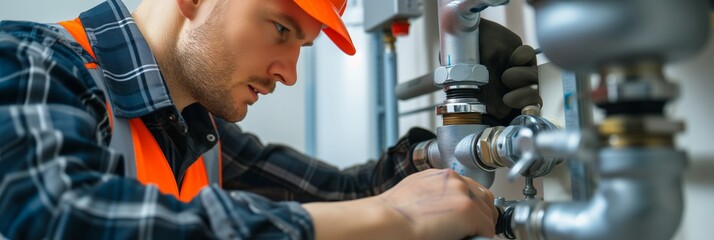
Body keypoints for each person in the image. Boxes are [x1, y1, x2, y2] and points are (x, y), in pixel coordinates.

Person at [0, 0, 540, 239]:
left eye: (302, 46)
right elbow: (60, 216)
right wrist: (396, 220)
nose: (289, 73)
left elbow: (342, 194)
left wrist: (455, 132)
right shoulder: (32, 61)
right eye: (281, 29)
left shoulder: (197, 130)